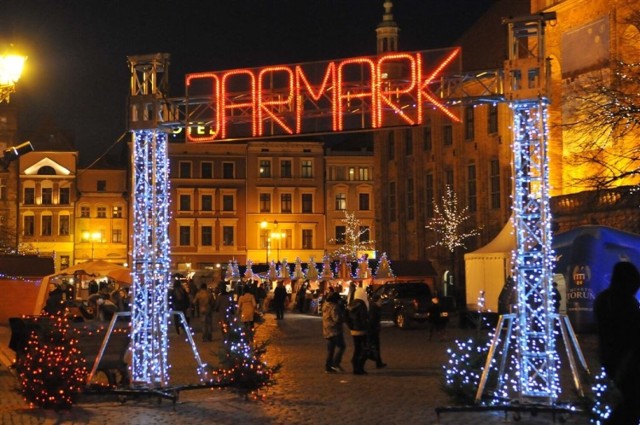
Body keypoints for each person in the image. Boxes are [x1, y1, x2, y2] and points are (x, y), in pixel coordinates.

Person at [594, 261, 640, 425]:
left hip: (610, 361)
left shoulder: (602, 300)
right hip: (628, 365)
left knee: (622, 405)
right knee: (630, 405)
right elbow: (633, 341)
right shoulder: (629, 305)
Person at [322, 288, 346, 373]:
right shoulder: (334, 307)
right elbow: (337, 318)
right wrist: (342, 317)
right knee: (342, 346)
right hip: (335, 331)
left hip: (327, 330)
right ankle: (336, 363)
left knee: (331, 350)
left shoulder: (325, 305)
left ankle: (328, 367)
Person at [346, 286, 369, 375]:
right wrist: (366, 326)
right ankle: (359, 367)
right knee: (363, 349)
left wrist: (351, 326)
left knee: (357, 348)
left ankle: (355, 366)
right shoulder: (362, 304)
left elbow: (346, 317)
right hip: (361, 330)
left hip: (354, 330)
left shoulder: (351, 304)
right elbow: (363, 317)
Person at [367, 293, 387, 369]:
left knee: (375, 347)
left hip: (374, 330)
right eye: (380, 300)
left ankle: (378, 362)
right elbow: (372, 321)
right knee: (374, 347)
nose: (381, 301)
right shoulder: (374, 309)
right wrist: (375, 328)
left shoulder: (375, 308)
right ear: (376, 301)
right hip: (372, 331)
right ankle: (375, 360)